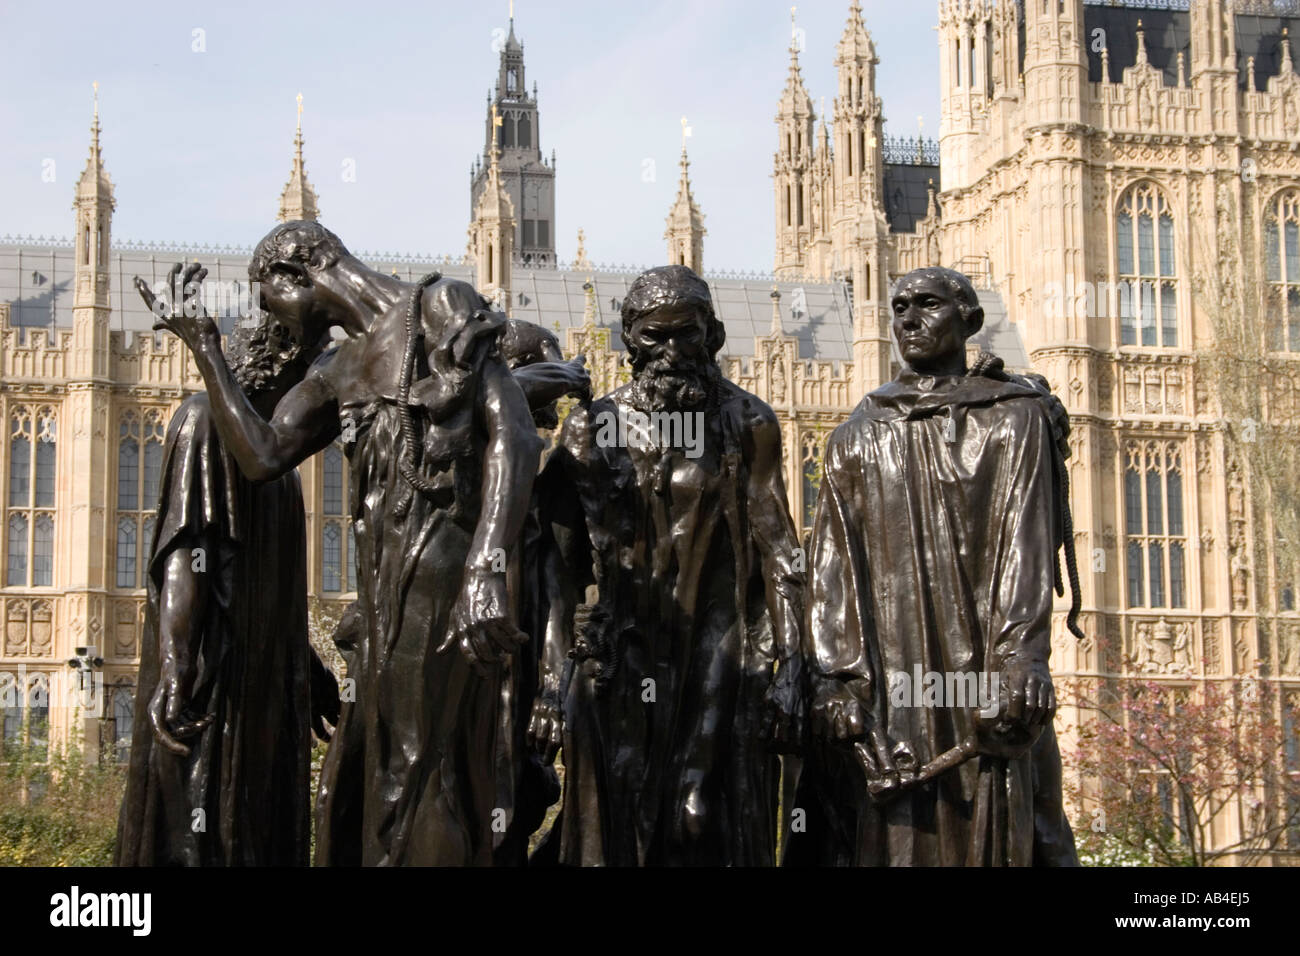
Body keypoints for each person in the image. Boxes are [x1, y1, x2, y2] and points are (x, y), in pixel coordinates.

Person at [145, 222, 582, 865]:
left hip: (445, 572)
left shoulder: (439, 304)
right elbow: (264, 455)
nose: (283, 323)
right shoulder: (339, 370)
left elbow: (513, 430)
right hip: (382, 589)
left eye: (275, 300)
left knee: (420, 771)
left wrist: (485, 564)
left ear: (303, 272)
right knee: (375, 777)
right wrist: (206, 348)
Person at [788, 266, 1079, 867]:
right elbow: (832, 568)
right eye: (898, 308)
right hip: (892, 680)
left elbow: (1025, 544)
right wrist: (835, 681)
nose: (909, 319)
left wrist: (1022, 655)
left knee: (1008, 827)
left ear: (969, 319)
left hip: (983, 667)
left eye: (928, 305)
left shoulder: (1015, 416)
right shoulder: (856, 435)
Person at [529, 264, 804, 865]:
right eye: (656, 337)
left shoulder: (747, 423)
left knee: (699, 819)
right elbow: (555, 572)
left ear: (715, 335)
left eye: (688, 334)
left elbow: (781, 552)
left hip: (719, 657)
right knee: (618, 830)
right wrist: (552, 686)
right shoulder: (588, 433)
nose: (673, 351)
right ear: (629, 340)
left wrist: (793, 668)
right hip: (620, 663)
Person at [115, 306, 338, 866]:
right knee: (197, 831)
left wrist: (305, 664)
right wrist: (175, 664)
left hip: (265, 683)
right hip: (214, 682)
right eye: (314, 377)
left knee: (257, 829)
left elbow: (267, 586)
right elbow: (188, 553)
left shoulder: (279, 469)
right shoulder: (204, 421)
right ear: (284, 366)